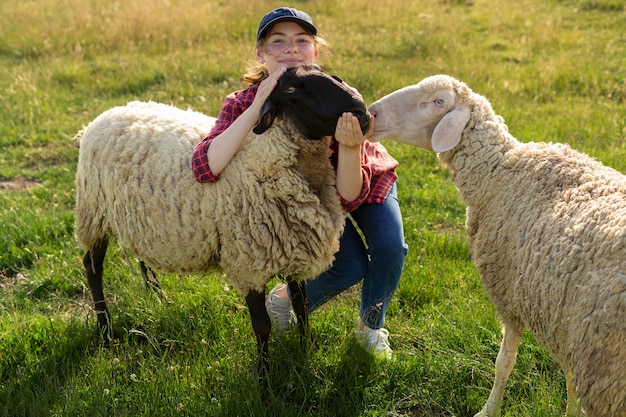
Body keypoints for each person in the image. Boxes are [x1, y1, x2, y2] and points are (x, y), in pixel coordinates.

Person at [191, 7, 407, 358]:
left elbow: (348, 194)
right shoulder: (243, 101)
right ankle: (285, 299)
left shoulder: (333, 95)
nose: (291, 48)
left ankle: (370, 326)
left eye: (302, 41)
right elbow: (204, 168)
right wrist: (257, 105)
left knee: (389, 247)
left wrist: (352, 147)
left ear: (315, 51)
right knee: (348, 265)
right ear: (261, 54)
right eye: (278, 42)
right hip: (314, 193)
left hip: (363, 179)